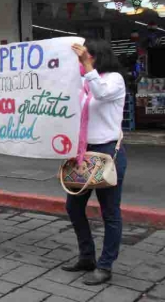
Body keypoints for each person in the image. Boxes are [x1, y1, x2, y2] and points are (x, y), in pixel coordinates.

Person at [62, 39, 127, 286]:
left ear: (97, 56)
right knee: (73, 206)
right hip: (83, 152)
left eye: (87, 55)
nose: (82, 60)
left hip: (107, 152)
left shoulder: (113, 79)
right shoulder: (85, 79)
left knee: (110, 212)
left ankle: (105, 265)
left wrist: (87, 67)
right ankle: (87, 256)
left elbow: (100, 92)